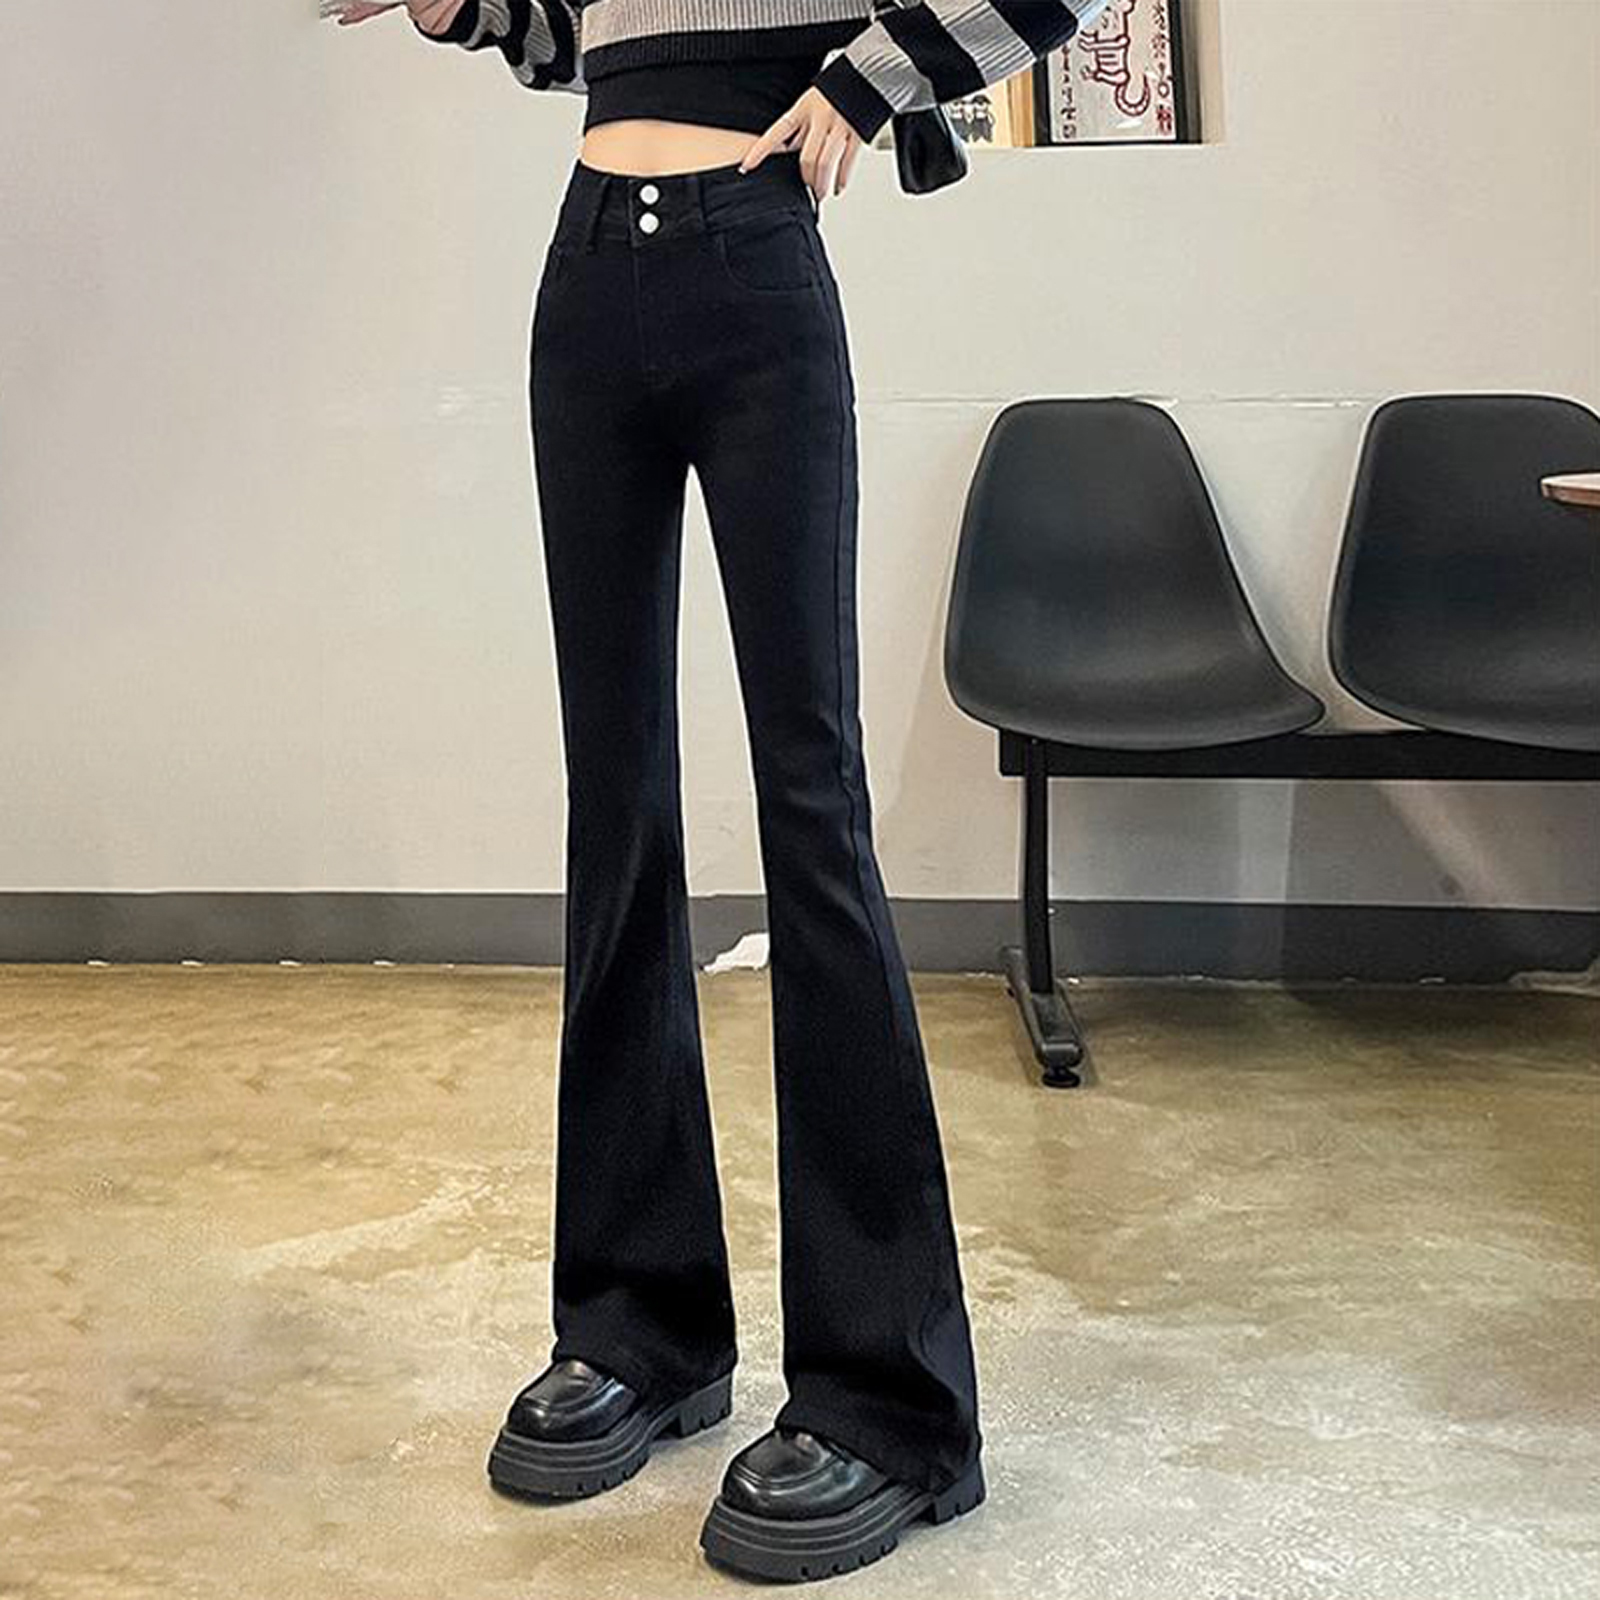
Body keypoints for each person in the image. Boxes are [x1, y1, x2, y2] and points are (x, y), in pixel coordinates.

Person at [332, 0, 1110, 1580]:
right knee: (613, 804)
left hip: (756, 261)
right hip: (584, 270)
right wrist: (463, 7)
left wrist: (872, 79)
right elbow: (575, 32)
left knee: (811, 806)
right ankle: (640, 1327)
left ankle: (888, 1403)